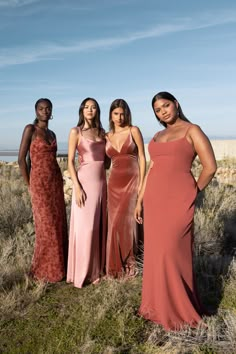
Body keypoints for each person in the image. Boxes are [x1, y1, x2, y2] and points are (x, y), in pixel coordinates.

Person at [135, 91, 217, 331]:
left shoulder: (192, 130)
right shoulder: (158, 135)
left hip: (179, 201)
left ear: (176, 104)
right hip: (154, 200)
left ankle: (180, 309)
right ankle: (156, 306)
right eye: (158, 110)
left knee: (173, 253)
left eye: (166, 106)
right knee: (156, 254)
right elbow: (152, 169)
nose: (163, 112)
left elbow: (210, 167)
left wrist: (193, 192)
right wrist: (140, 200)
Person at [18, 98, 68, 283]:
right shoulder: (30, 130)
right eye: (41, 109)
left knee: (58, 223)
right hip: (38, 184)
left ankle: (60, 268)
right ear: (36, 111)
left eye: (48, 108)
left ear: (51, 111)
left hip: (55, 182)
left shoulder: (52, 132)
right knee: (45, 226)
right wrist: (29, 183)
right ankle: (45, 271)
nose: (45, 111)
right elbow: (21, 159)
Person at [66, 98, 107, 288]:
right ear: (82, 110)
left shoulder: (102, 132)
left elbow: (106, 161)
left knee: (98, 227)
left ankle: (95, 271)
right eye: (87, 107)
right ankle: (81, 273)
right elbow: (69, 163)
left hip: (101, 184)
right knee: (85, 229)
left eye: (94, 107)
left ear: (97, 111)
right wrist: (77, 187)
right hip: (84, 183)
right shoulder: (76, 131)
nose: (90, 110)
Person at [105, 99, 146, 277]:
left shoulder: (133, 130)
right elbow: (104, 161)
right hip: (114, 184)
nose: (119, 117)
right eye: (116, 114)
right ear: (111, 115)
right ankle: (115, 266)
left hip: (132, 180)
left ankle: (132, 265)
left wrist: (142, 183)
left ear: (126, 114)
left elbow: (143, 158)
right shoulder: (106, 136)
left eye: (122, 113)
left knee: (130, 223)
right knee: (114, 225)